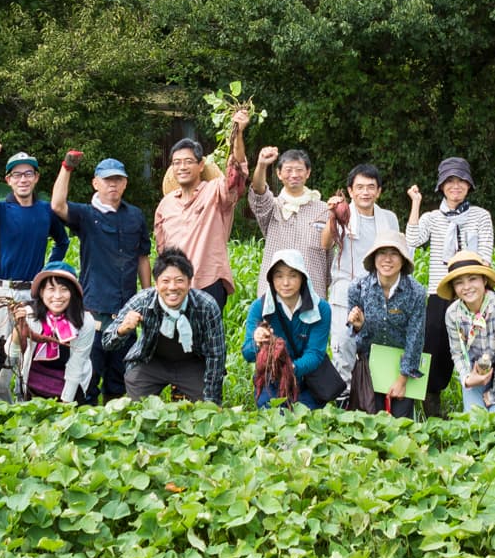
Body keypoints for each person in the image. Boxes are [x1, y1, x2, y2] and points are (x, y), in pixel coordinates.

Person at [53, 152, 151, 401]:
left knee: (120, 378)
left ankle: (116, 428)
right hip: (93, 312)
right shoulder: (85, 214)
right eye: (107, 180)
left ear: (125, 183)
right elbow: (57, 206)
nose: (113, 184)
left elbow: (142, 257)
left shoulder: (135, 216)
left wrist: (148, 295)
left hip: (127, 312)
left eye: (118, 179)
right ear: (96, 183)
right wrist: (67, 168)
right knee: (89, 376)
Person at [405, 158, 494, 416]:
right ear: (441, 186)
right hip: (439, 292)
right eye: (450, 181)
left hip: (474, 294)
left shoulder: (480, 216)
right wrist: (416, 204)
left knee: (480, 347)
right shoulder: (433, 217)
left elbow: (485, 254)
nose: (456, 186)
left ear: (469, 184)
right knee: (434, 349)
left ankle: (483, 402)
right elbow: (413, 239)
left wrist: (470, 284)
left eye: (461, 180)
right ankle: (432, 409)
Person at [153, 108, 250, 306]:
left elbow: (236, 174)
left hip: (209, 281)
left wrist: (237, 134)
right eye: (177, 163)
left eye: (188, 162)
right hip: (174, 286)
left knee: (208, 337)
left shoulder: (215, 192)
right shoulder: (166, 204)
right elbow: (161, 250)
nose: (182, 167)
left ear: (201, 165)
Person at [101, 252, 227, 402]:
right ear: (156, 283)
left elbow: (216, 355)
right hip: (152, 362)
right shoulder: (143, 300)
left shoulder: (206, 306)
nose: (172, 287)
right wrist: (122, 330)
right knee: (137, 404)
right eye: (165, 281)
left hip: (192, 363)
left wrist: (212, 400)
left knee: (205, 406)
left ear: (189, 282)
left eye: (179, 280)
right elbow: (107, 341)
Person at [322, 162, 402, 375]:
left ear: (378, 191)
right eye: (359, 187)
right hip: (345, 291)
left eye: (370, 187)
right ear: (350, 191)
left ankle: (373, 402)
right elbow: (325, 244)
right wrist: (332, 216)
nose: (365, 192)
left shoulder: (389, 218)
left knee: (377, 348)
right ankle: (343, 401)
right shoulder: (341, 213)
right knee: (343, 347)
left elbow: (397, 255)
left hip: (379, 292)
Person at [341, 237, 428, 419]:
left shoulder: (416, 292)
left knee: (401, 422)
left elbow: (416, 337)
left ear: (403, 259)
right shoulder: (358, 288)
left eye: (394, 254)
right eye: (382, 253)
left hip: (402, 364)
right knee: (371, 421)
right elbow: (355, 338)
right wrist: (359, 327)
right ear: (373, 258)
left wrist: (403, 378)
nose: (387, 259)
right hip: (369, 365)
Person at [241, 248, 338, 409]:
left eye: (293, 275)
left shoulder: (321, 309)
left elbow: (315, 354)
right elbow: (248, 354)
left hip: (307, 381)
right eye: (279, 276)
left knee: (306, 423)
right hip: (272, 381)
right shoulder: (259, 308)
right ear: (271, 279)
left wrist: (289, 369)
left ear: (302, 277)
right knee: (272, 420)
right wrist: (257, 342)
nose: (285, 283)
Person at [438, 252, 495, 414]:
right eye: (459, 283)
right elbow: (457, 353)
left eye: (472, 279)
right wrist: (468, 378)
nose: (466, 287)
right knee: (474, 419)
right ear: (453, 288)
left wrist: (494, 394)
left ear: (484, 280)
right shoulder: (452, 314)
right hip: (478, 365)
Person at [0, 142, 70, 288]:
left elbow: (62, 241)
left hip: (33, 291)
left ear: (36, 177)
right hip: (1, 290)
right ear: (8, 180)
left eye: (28, 174)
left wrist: (47, 271)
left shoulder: (46, 211)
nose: (23, 180)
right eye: (17, 175)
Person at [0, 266, 99, 403]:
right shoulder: (29, 314)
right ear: (41, 292)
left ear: (73, 293)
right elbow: (12, 356)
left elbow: (77, 365)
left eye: (64, 289)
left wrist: (66, 404)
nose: (57, 296)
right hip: (33, 388)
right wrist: (18, 329)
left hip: (70, 389)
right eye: (51, 289)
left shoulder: (85, 322)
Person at [250, 147, 332, 295]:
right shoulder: (271, 207)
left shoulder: (325, 210)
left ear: (308, 172)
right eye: (288, 170)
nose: (294, 175)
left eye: (299, 170)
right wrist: (262, 165)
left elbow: (329, 254)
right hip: (274, 294)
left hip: (312, 291)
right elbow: (258, 191)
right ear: (279, 174)